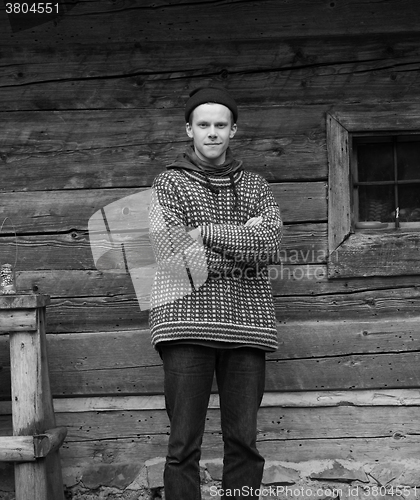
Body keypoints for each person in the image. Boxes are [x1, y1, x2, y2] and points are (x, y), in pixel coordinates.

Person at [148, 87, 282, 500]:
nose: (211, 133)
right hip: (184, 323)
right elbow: (171, 254)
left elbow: (270, 245)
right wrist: (243, 247)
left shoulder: (256, 185)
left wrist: (204, 233)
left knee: (243, 442)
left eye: (220, 125)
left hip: (248, 326)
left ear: (233, 130)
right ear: (189, 129)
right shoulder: (168, 183)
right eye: (203, 125)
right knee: (182, 444)